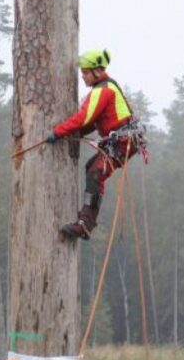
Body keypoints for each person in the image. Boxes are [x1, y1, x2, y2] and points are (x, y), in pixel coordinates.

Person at [46, 48, 145, 240]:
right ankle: (86, 220)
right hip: (122, 141)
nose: (83, 77)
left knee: (95, 172)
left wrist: (58, 132)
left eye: (85, 72)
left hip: (123, 141)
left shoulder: (103, 91)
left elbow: (84, 117)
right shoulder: (105, 89)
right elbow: (92, 122)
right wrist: (76, 132)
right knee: (91, 168)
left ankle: (85, 224)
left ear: (96, 72)